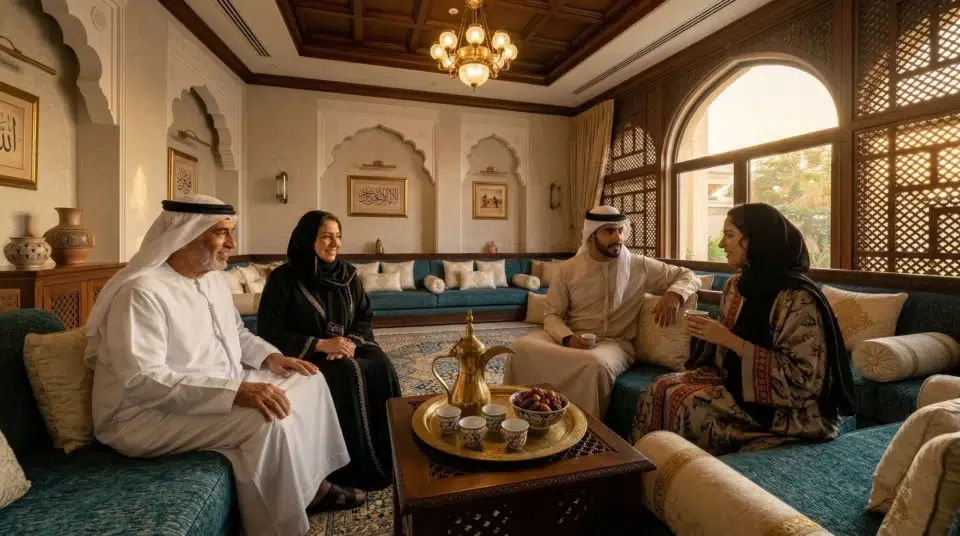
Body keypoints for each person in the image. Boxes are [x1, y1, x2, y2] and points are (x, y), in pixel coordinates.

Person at [85, 195, 365, 536]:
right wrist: (237, 391)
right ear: (185, 234)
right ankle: (280, 526)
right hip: (144, 415)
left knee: (308, 377)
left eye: (231, 232)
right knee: (267, 419)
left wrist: (271, 358)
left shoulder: (213, 279)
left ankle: (313, 485)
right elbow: (143, 380)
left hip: (220, 383)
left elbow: (236, 332)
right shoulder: (142, 292)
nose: (232, 244)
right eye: (221, 233)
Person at [632, 203, 856, 455]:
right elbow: (725, 350)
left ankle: (689, 481)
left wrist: (728, 339)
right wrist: (707, 335)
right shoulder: (736, 285)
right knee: (658, 389)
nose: (720, 244)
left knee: (688, 404)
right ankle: (646, 477)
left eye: (729, 235)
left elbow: (803, 380)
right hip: (736, 382)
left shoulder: (798, 298)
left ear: (757, 241)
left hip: (791, 410)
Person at [504, 206, 701, 418]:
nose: (617, 237)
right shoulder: (569, 269)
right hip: (567, 336)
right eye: (609, 231)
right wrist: (568, 338)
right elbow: (552, 315)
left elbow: (689, 275)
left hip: (614, 343)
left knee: (594, 364)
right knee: (518, 349)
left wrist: (675, 294)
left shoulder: (639, 265)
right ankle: (519, 417)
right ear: (592, 235)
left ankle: (583, 431)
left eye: (619, 231)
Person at [256, 210, 401, 491]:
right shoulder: (283, 279)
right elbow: (269, 330)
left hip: (349, 345)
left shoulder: (348, 276)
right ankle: (350, 470)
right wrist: (321, 345)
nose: (334, 244)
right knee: (345, 373)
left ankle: (390, 458)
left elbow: (364, 317)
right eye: (325, 237)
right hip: (306, 353)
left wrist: (349, 343)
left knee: (381, 365)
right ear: (307, 239)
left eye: (337, 237)